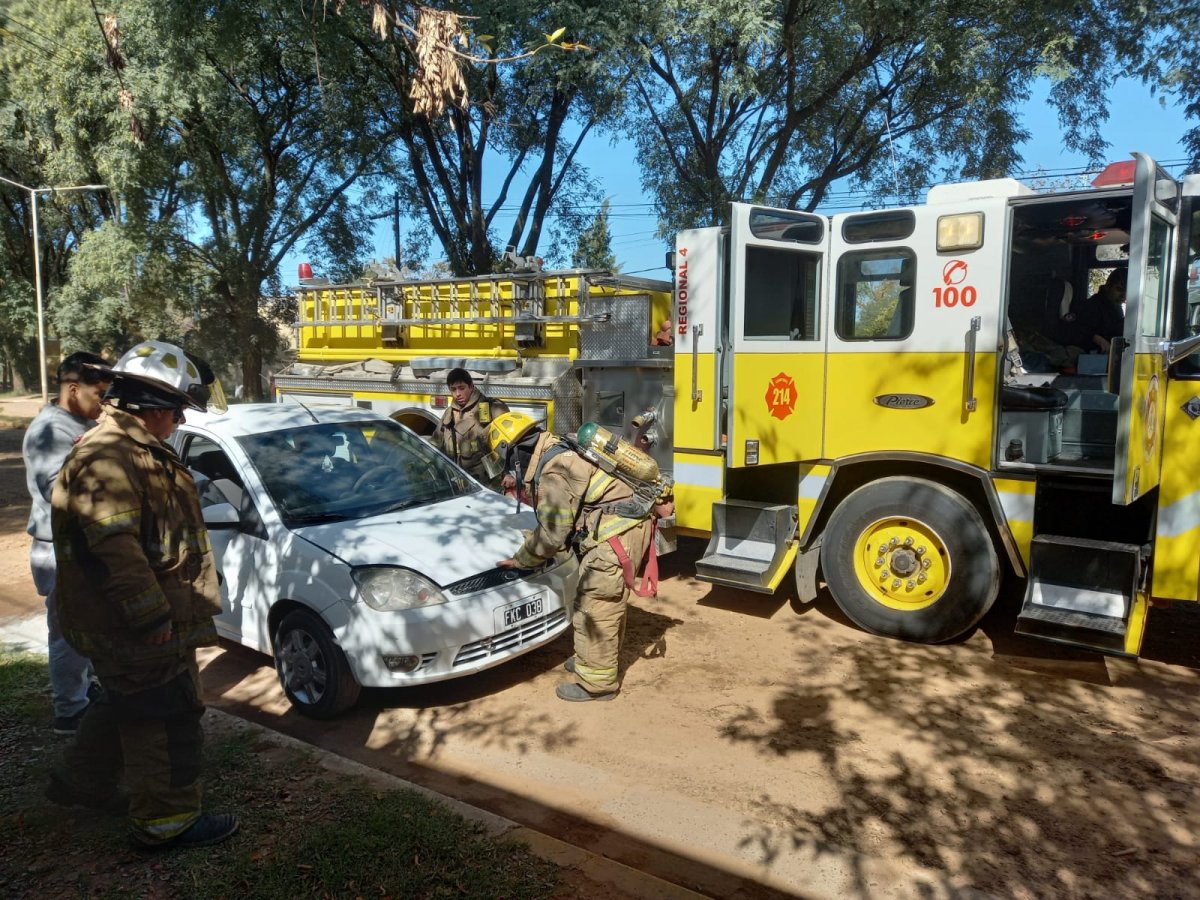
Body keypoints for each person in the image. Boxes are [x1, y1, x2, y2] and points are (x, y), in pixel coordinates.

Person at [45, 339, 237, 849]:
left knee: (124, 699)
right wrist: (152, 618)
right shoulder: (111, 458)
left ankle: (82, 782)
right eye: (176, 411)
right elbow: (113, 546)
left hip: (135, 620)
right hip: (134, 625)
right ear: (152, 408)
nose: (179, 421)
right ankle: (166, 822)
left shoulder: (133, 449)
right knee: (164, 714)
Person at [488, 412, 656, 702]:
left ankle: (596, 685)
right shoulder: (562, 447)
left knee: (596, 605)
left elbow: (553, 533)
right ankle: (593, 661)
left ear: (516, 455)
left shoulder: (554, 470)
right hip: (627, 527)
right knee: (608, 600)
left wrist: (523, 559)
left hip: (614, 537)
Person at [22, 351, 112, 734]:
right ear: (73, 389)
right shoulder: (48, 430)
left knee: (86, 627)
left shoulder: (77, 421)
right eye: (99, 394)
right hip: (57, 549)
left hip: (77, 545)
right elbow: (57, 488)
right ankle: (69, 711)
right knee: (67, 634)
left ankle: (83, 690)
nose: (104, 403)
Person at [432, 367, 509, 487]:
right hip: (458, 483)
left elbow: (511, 445)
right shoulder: (449, 414)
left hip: (488, 485)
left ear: (471, 386)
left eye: (462, 388)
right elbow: (435, 444)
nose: (457, 394)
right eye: (453, 389)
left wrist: (509, 473)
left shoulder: (492, 408)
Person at [1058, 268, 1126, 354]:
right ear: (1108, 286)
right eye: (1119, 289)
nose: (1124, 296)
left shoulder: (1115, 309)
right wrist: (1095, 338)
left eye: (1127, 291)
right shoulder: (1089, 306)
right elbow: (1069, 330)